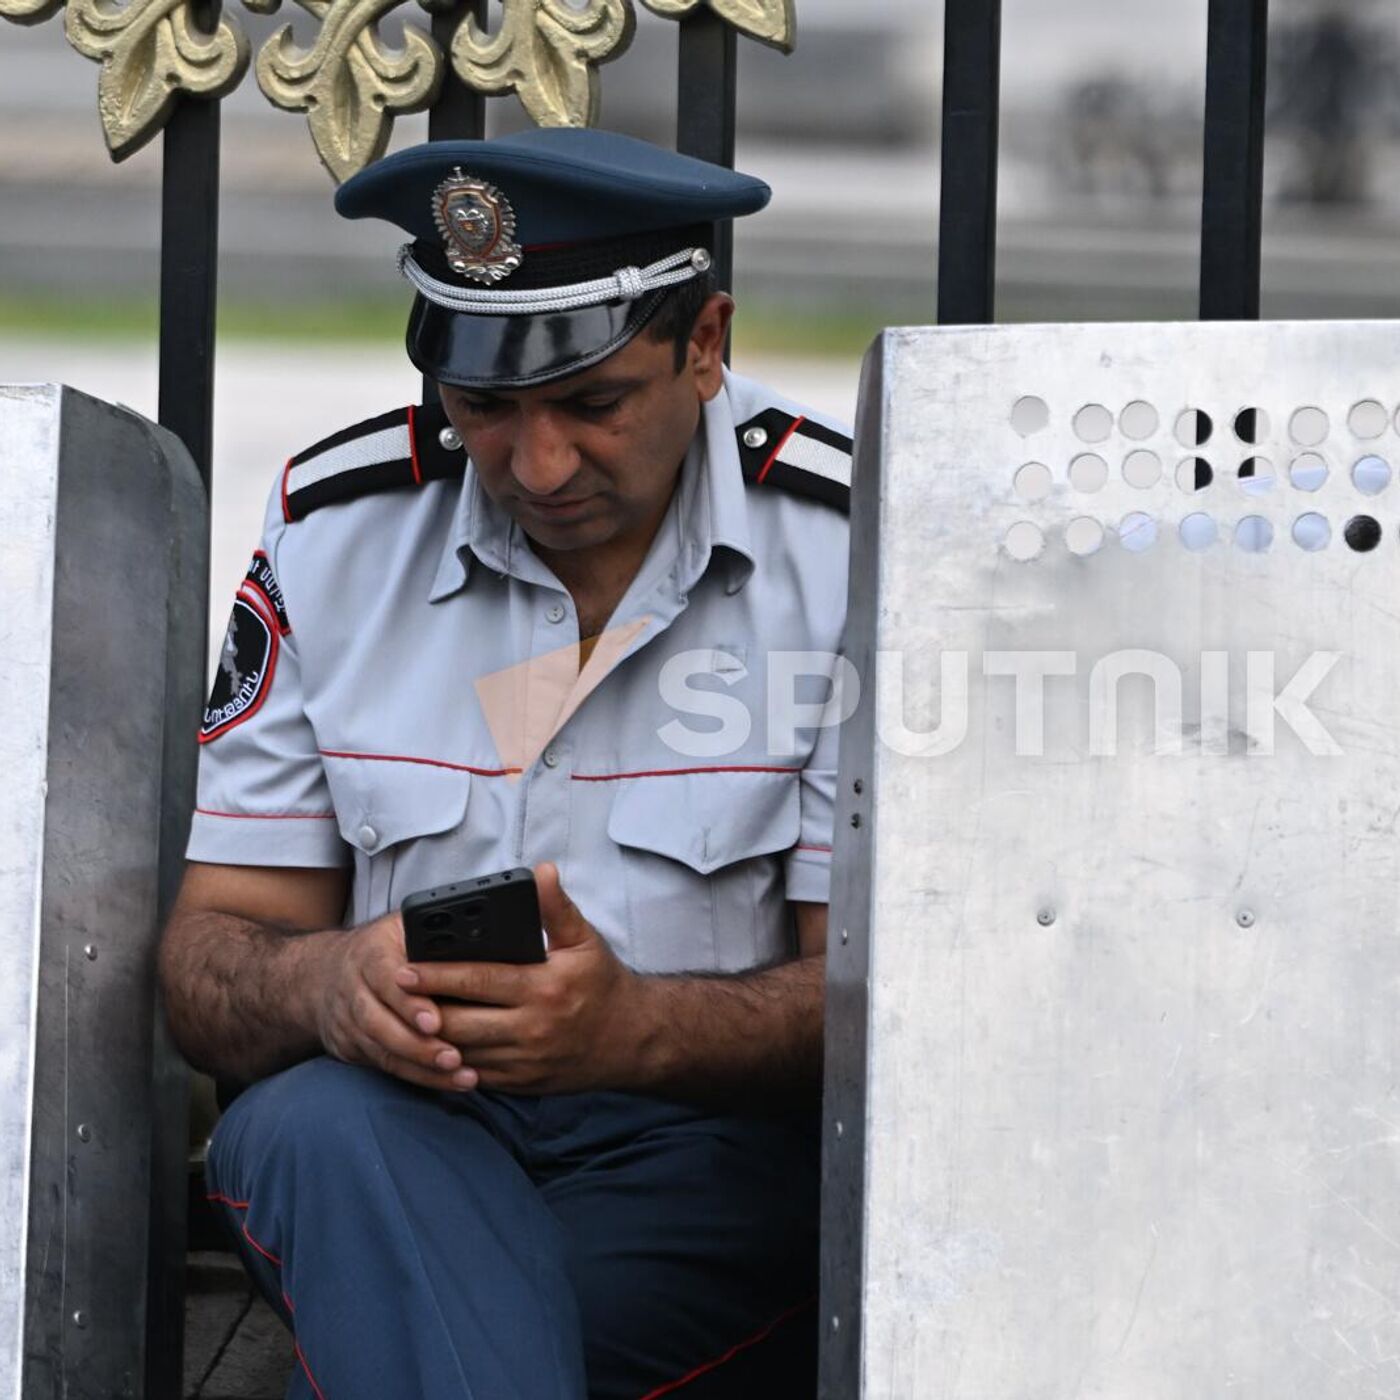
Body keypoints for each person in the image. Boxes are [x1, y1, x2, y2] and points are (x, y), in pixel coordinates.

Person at [159, 126, 853, 1399]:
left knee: (441, 1317)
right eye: (483, 407)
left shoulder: (844, 555)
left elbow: (875, 1007)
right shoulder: (336, 534)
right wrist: (328, 987)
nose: (536, 467)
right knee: (317, 1121)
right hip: (383, 1138)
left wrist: (635, 1031)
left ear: (705, 344)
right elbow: (207, 963)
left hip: (694, 1156)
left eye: (591, 403)